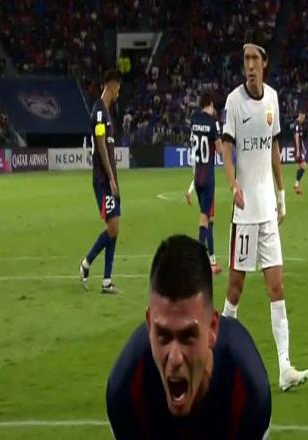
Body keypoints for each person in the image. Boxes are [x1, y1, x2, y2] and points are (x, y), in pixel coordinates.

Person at [107, 235, 271, 439]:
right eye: (163, 336)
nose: (175, 358)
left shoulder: (246, 391)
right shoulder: (127, 390)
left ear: (212, 329)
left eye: (187, 337)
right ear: (149, 327)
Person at [221, 41, 308, 391]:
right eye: (245, 59)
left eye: (254, 59)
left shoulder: (273, 98)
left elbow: (274, 148)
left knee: (277, 286)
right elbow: (226, 149)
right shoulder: (233, 102)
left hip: (268, 210)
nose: (249, 65)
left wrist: (282, 194)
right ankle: (218, 355)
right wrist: (232, 185)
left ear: (264, 63)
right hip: (244, 213)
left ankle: (285, 367)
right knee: (235, 290)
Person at [79, 70, 122, 294]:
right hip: (103, 180)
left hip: (110, 179)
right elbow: (101, 144)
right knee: (112, 227)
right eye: (118, 86)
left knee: (115, 226)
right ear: (111, 85)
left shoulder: (106, 112)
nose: (119, 91)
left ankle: (107, 281)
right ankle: (86, 263)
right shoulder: (98, 112)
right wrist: (111, 178)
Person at [185, 91, 223, 275]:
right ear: (211, 104)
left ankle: (211, 258)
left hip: (197, 174)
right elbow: (221, 150)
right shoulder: (213, 123)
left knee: (208, 217)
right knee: (205, 217)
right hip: (208, 175)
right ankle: (199, 259)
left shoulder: (194, 120)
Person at [293, 110, 307, 195]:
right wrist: (298, 150)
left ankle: (297, 187)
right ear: (300, 116)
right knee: (304, 166)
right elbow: (297, 137)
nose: (304, 119)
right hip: (298, 149)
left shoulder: (299, 125)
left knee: (300, 167)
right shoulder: (297, 125)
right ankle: (296, 185)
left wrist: (303, 147)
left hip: (300, 149)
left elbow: (300, 138)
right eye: (303, 118)